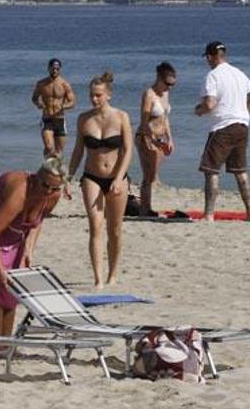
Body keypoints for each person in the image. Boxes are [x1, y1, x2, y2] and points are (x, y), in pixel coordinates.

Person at [0, 158, 65, 345]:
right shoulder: (20, 192)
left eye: (55, 188)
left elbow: (37, 221)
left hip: (13, 237)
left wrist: (28, 249)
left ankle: (6, 343)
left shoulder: (53, 195)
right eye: (45, 186)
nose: (49, 191)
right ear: (36, 177)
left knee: (12, 289)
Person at [68, 72, 133, 289]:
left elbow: (128, 150)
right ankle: (98, 278)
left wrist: (118, 177)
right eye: (91, 96)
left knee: (114, 229)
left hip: (117, 178)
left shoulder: (121, 117)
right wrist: (68, 176)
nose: (94, 99)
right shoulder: (83, 119)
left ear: (108, 95)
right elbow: (78, 151)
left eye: (98, 95)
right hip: (92, 177)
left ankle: (113, 274)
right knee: (95, 226)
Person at [195, 41, 250, 222]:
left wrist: (199, 110)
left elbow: (210, 104)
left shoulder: (213, 76)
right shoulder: (239, 73)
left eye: (207, 58)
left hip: (223, 126)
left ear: (210, 57)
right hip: (242, 125)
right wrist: (243, 111)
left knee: (211, 170)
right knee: (240, 171)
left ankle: (209, 214)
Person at [135, 62, 177, 216]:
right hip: (146, 137)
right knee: (148, 175)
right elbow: (144, 122)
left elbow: (165, 119)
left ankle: (146, 207)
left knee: (153, 175)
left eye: (173, 84)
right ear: (159, 78)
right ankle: (145, 209)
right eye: (167, 83)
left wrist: (169, 139)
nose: (169, 87)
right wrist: (153, 141)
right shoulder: (149, 94)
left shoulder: (165, 94)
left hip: (159, 138)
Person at [32, 58, 76, 157]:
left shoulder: (65, 84)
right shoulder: (41, 84)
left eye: (57, 69)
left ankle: (56, 170)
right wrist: (38, 104)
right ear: (48, 68)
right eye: (53, 68)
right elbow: (34, 98)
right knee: (48, 146)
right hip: (47, 118)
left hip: (60, 119)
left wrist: (63, 106)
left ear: (60, 69)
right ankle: (46, 167)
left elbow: (72, 102)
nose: (55, 71)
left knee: (59, 152)